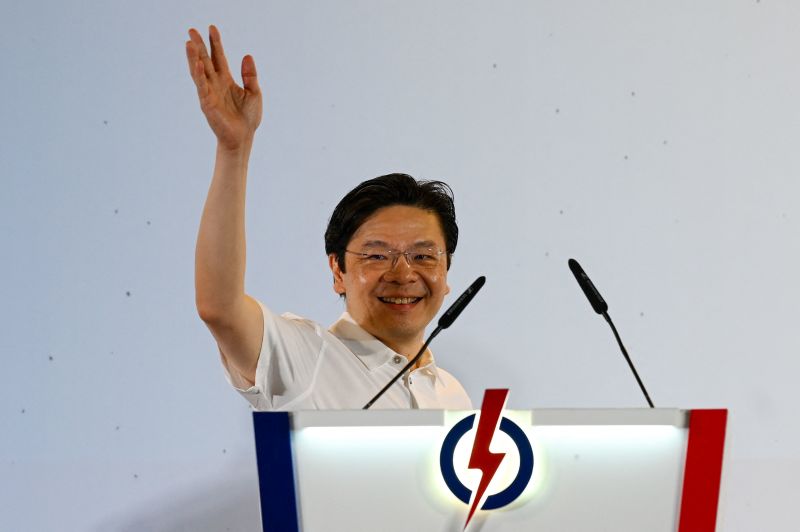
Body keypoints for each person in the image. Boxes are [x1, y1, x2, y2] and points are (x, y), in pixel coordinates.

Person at [186, 25, 472, 410]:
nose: (403, 274)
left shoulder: (452, 393)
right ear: (337, 269)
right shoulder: (304, 358)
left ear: (446, 271)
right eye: (377, 255)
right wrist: (234, 149)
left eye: (423, 256)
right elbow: (220, 308)